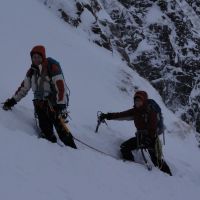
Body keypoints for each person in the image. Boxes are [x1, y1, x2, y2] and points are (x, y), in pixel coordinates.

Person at [3, 45, 77, 149]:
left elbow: (61, 87)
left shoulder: (51, 66)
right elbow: (24, 88)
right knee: (46, 131)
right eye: (34, 57)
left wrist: (61, 105)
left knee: (62, 131)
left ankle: (74, 152)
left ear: (43, 57)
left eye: (38, 56)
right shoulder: (31, 72)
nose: (36, 59)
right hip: (40, 105)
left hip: (54, 105)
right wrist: (12, 101)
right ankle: (52, 152)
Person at [100, 90, 172, 175]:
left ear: (144, 101)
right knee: (125, 147)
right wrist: (107, 116)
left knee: (156, 160)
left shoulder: (151, 111)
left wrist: (149, 138)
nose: (137, 102)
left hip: (152, 139)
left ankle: (169, 175)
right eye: (136, 100)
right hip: (140, 138)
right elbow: (121, 115)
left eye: (139, 101)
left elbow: (153, 127)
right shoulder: (135, 111)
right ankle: (132, 168)